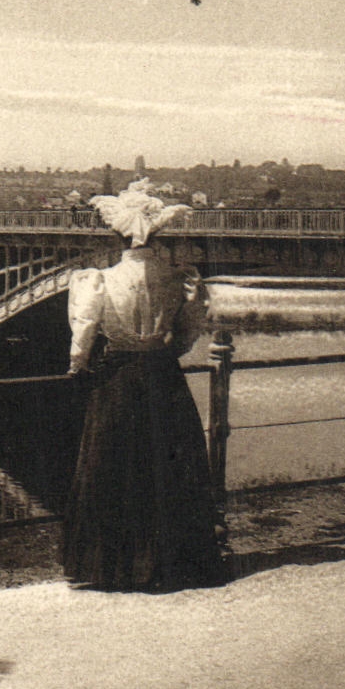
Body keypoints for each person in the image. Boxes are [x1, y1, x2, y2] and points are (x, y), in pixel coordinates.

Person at [64, 178, 226, 591]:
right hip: (162, 376)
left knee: (115, 466)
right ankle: (170, 562)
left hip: (118, 377)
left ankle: (115, 567)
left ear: (119, 234)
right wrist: (166, 348)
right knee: (167, 467)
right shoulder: (179, 279)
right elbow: (190, 331)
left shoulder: (99, 280)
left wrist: (78, 364)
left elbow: (84, 331)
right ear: (158, 233)